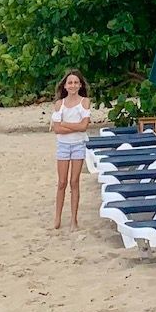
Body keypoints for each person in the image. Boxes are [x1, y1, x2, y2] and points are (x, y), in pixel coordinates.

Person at [49, 70, 91, 229]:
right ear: (65, 86)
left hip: (78, 145)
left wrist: (65, 124)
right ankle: (57, 218)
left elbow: (84, 126)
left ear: (80, 85)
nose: (72, 85)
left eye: (75, 82)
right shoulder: (60, 104)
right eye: (70, 82)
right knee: (61, 182)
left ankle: (74, 219)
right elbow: (57, 129)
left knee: (74, 181)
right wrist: (75, 127)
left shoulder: (84, 102)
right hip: (63, 146)